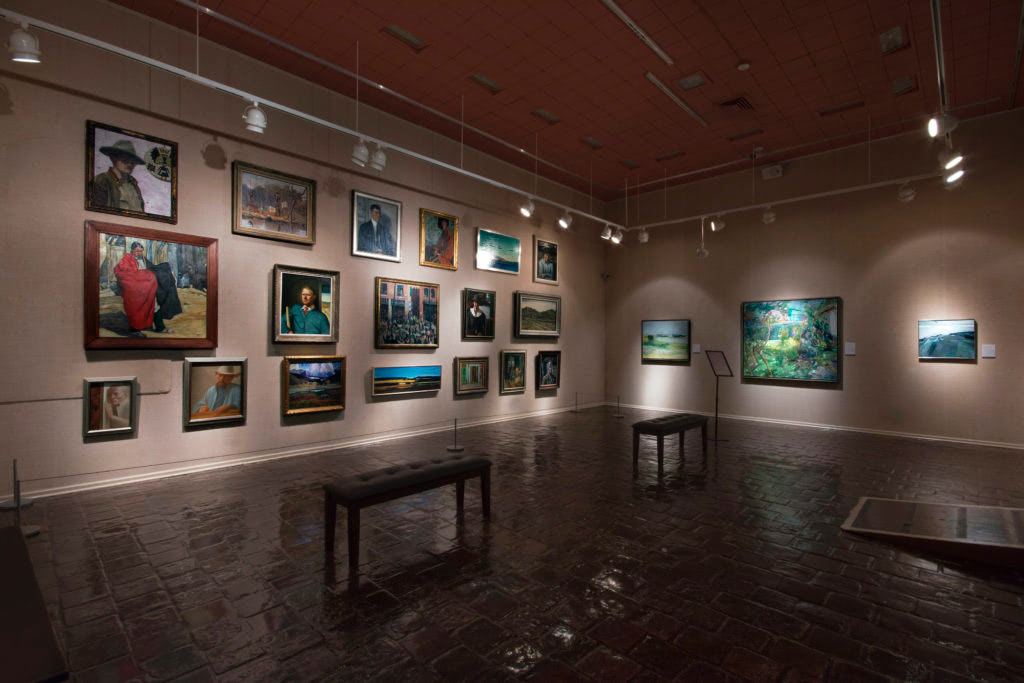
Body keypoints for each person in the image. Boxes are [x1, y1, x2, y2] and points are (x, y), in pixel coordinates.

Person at [112, 241, 182, 337]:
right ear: (132, 250)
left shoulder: (144, 260)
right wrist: (144, 276)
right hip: (135, 291)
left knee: (155, 305)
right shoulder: (126, 260)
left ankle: (160, 328)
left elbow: (152, 269)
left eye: (141, 251)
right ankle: (135, 330)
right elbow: (124, 274)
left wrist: (164, 270)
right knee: (136, 309)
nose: (139, 253)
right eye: (137, 251)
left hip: (148, 289)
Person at [92, 139, 146, 212]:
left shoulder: (134, 185)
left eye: (133, 161)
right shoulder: (102, 180)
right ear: (113, 158)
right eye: (125, 159)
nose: (130, 164)